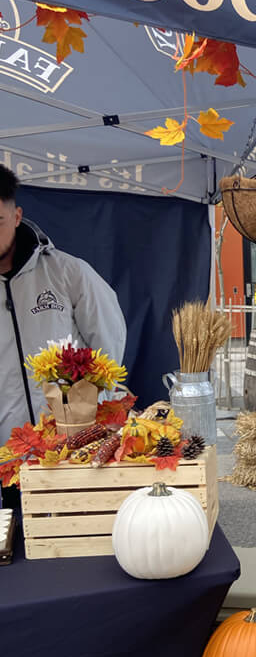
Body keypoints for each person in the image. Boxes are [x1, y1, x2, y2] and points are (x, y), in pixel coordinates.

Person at [0, 164, 127, 455]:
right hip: (7, 452)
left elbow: (108, 342)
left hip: (68, 446)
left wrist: (88, 412)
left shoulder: (69, 273)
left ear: (17, 216)